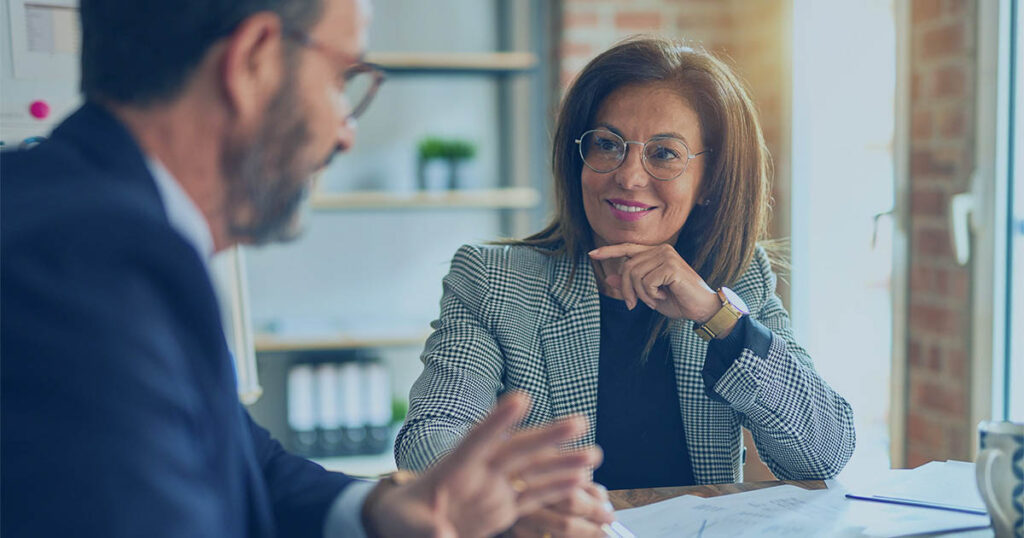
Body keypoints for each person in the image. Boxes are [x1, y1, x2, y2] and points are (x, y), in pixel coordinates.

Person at [0, 0, 612, 537]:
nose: (346, 133)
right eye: (341, 77)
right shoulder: (88, 262)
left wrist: (378, 511)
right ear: (254, 60)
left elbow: (243, 463)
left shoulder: (91, 220)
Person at [396, 37, 857, 536]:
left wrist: (714, 316)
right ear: (580, 159)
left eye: (664, 154)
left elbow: (823, 452)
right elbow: (429, 434)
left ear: (708, 182)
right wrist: (513, 502)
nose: (629, 176)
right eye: (608, 145)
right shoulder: (493, 279)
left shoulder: (738, 279)